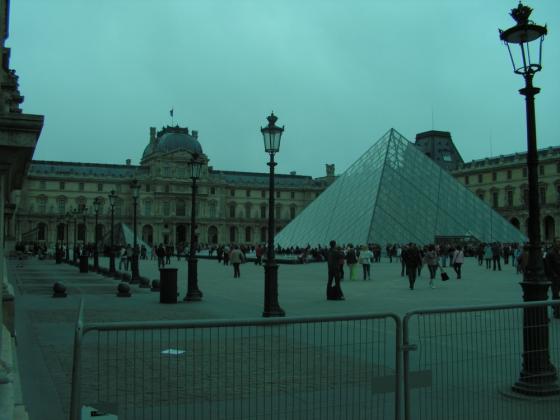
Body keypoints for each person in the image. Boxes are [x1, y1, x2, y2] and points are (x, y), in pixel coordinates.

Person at [545, 240, 560, 319]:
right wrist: (554, 275)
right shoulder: (550, 253)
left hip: (558, 277)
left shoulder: (558, 252)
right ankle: (556, 311)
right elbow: (548, 266)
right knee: (555, 295)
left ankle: (556, 309)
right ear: (553, 243)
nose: (559, 243)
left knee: (556, 295)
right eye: (557, 242)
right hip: (555, 278)